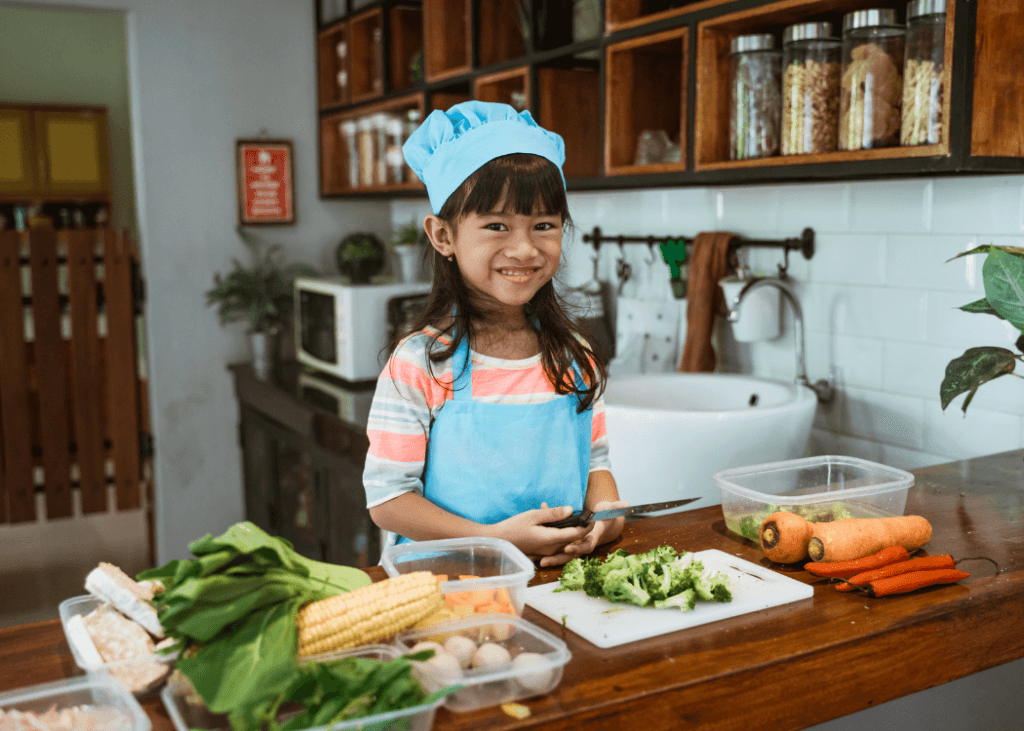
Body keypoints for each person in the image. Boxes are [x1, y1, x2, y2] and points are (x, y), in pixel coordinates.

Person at [362, 101, 626, 568]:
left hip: (555, 583)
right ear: (443, 236)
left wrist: (606, 521)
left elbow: (596, 467)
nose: (524, 248)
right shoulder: (420, 362)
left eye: (544, 225)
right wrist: (492, 539)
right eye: (496, 225)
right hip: (445, 585)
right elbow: (389, 502)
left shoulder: (574, 356)